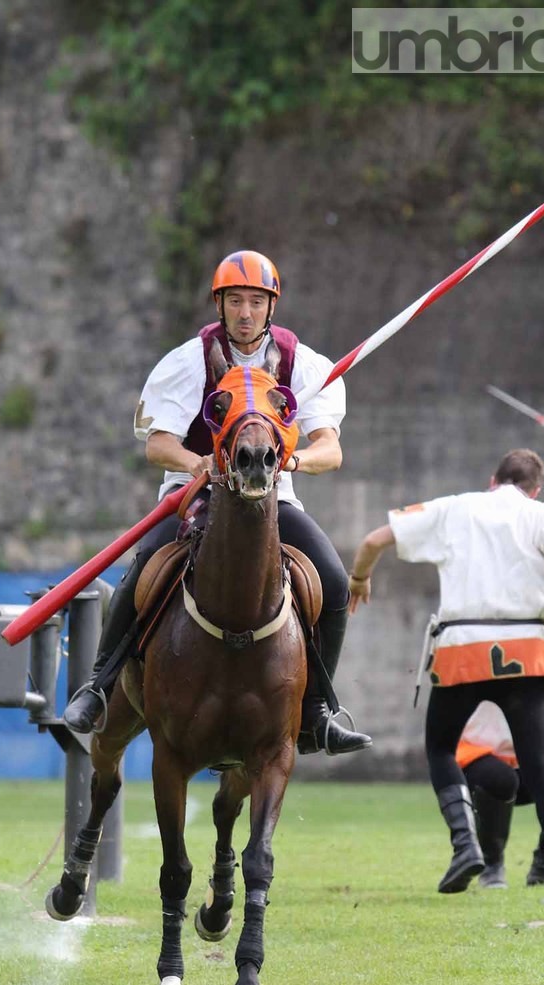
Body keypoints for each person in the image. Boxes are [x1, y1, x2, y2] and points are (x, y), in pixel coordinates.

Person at [63, 249, 371, 757]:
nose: (244, 312)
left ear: (271, 306)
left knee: (334, 582)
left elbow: (330, 450)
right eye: (234, 301)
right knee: (143, 571)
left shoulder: (304, 365)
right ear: (220, 304)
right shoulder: (189, 361)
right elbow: (156, 443)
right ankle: (98, 688)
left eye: (255, 301)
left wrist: (290, 464)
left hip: (271, 500)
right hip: (195, 497)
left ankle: (317, 711)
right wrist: (195, 464)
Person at [348, 448, 544, 902]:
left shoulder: (454, 507)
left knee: (441, 748)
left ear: (493, 479)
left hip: (463, 649)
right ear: (535, 488)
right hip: (527, 650)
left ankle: (465, 845)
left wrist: (359, 579)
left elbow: (371, 542)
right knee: (541, 771)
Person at [459, 698, 544, 889]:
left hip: (526, 753)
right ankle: (492, 864)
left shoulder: (538, 668)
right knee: (501, 778)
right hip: (474, 753)